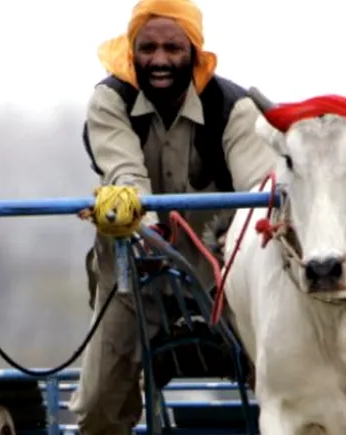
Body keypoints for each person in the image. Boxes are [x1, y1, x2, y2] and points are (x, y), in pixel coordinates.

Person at [69, 0, 277, 432]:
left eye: (172, 48)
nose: (159, 60)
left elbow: (260, 192)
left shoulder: (233, 110)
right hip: (131, 273)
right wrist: (134, 216)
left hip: (222, 275)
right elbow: (125, 174)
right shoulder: (111, 100)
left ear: (195, 52)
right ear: (131, 50)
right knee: (96, 409)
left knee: (284, 382)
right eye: (147, 48)